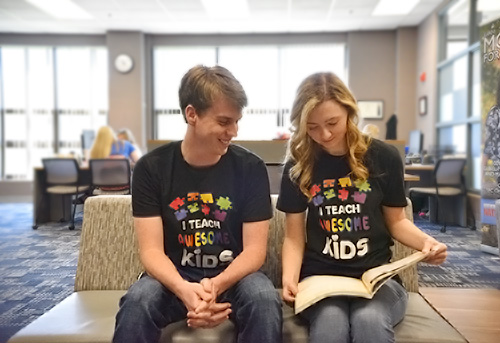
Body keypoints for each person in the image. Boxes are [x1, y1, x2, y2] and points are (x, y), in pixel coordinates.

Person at [113, 65, 282, 343]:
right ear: (192, 114)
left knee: (264, 298)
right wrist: (184, 289)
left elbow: (254, 251)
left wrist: (214, 286)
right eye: (225, 121)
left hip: (234, 277)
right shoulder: (151, 168)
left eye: (237, 121)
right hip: (174, 276)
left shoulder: (250, 168)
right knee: (138, 300)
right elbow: (152, 251)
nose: (234, 131)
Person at [277, 72, 447, 343]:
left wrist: (427, 243)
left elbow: (397, 222)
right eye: (312, 127)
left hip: (377, 278)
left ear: (349, 111)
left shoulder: (383, 157)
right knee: (330, 325)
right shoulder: (297, 167)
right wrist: (289, 278)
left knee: (369, 320)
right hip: (321, 279)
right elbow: (294, 237)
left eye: (332, 122)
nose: (325, 134)